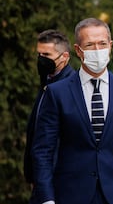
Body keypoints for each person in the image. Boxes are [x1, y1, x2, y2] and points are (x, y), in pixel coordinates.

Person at [31, 18, 113, 204]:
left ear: (110, 46)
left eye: (102, 44)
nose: (97, 50)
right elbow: (43, 150)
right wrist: (47, 198)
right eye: (90, 44)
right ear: (78, 50)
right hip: (71, 193)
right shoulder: (57, 93)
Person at [24, 29, 75, 187]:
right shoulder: (47, 81)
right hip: (41, 178)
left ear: (64, 57)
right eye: (39, 55)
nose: (41, 60)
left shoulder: (71, 88)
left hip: (58, 180)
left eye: (46, 55)